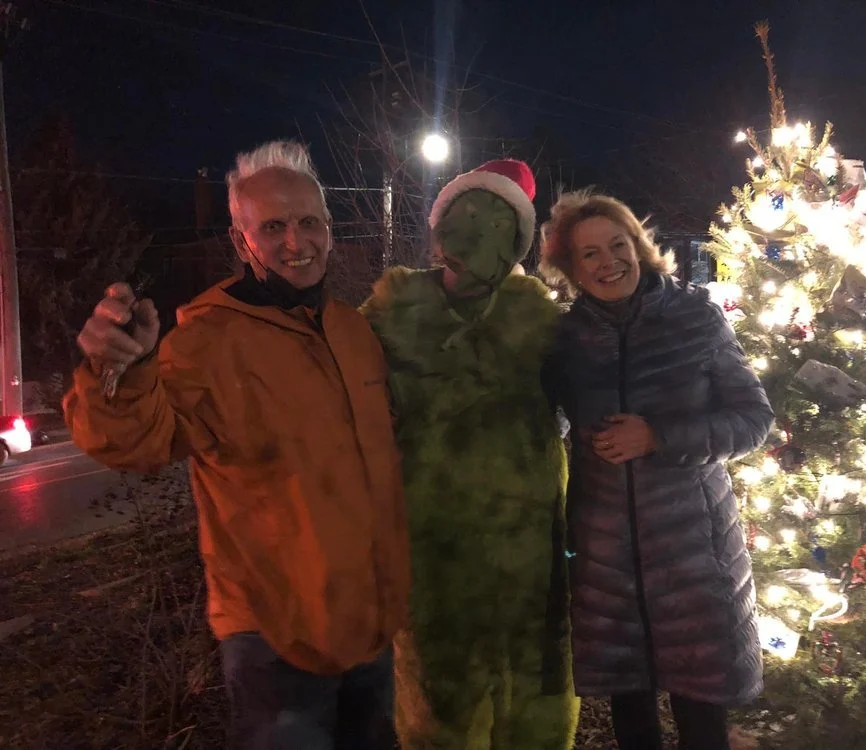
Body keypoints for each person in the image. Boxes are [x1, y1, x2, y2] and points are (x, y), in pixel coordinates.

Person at [64, 140, 409, 749]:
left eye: (308, 222)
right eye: (273, 226)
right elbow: (135, 443)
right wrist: (115, 372)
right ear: (240, 237)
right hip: (274, 639)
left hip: (367, 623)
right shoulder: (207, 339)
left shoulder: (352, 330)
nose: (295, 241)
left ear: (329, 227)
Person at [539, 190, 774, 750]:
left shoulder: (695, 319)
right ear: (570, 267)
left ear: (639, 247)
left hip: (693, 553)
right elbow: (533, 417)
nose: (607, 262)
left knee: (701, 718)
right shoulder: (564, 340)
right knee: (633, 717)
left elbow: (752, 418)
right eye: (588, 254)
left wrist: (659, 438)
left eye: (617, 245)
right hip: (606, 561)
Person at [360, 159, 578, 749]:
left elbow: (603, 384)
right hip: (433, 546)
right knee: (440, 702)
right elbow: (333, 388)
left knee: (533, 699)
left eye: (497, 225)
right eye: (466, 221)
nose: (475, 240)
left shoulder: (539, 322)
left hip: (529, 550)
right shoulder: (392, 316)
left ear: (517, 240)